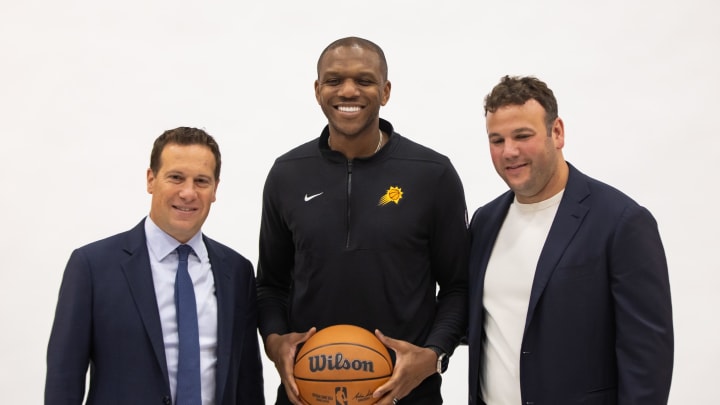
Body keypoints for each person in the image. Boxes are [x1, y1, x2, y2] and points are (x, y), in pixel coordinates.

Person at [256, 37, 469, 405]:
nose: (348, 90)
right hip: (308, 394)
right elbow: (270, 286)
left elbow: (459, 287)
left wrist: (433, 355)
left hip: (406, 396)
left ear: (385, 91)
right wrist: (276, 342)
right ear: (318, 90)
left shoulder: (433, 174)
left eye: (365, 80)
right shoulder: (286, 174)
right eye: (334, 80)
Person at [467, 75, 674, 404]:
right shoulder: (485, 222)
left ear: (557, 132)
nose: (509, 151)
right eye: (497, 140)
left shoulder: (621, 222)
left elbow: (647, 359)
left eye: (522, 135)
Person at [45, 127, 265, 405]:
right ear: (151, 179)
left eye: (201, 181)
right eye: (176, 178)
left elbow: (247, 383)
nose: (188, 192)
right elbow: (64, 379)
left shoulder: (236, 271)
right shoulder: (92, 267)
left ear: (215, 189)